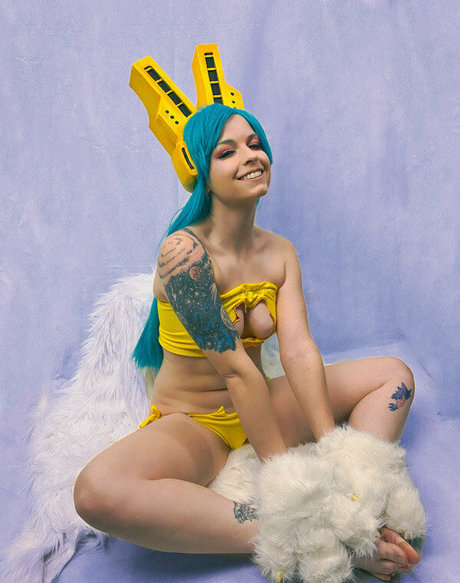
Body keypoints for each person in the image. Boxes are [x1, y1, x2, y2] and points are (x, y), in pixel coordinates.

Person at [74, 103, 421, 581]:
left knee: (394, 376)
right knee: (96, 491)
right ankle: (307, 535)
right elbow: (236, 370)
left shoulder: (279, 251)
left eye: (255, 144)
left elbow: (299, 351)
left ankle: (366, 498)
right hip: (198, 424)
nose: (250, 156)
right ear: (201, 173)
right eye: (227, 152)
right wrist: (294, 491)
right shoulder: (184, 255)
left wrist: (335, 452)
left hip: (264, 404)